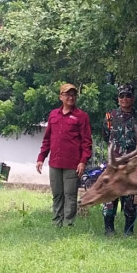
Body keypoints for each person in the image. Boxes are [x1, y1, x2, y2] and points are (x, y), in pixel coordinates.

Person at [36, 83, 92, 227]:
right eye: (67, 94)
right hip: (55, 162)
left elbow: (87, 142)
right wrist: (41, 158)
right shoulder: (53, 114)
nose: (71, 97)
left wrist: (83, 161)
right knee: (57, 195)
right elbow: (47, 138)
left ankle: (68, 225)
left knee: (70, 196)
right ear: (61, 97)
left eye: (73, 94)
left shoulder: (81, 116)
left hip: (73, 164)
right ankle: (56, 223)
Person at [102, 83, 137, 236]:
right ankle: (109, 229)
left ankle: (129, 230)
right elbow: (106, 137)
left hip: (132, 166)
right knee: (110, 196)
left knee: (131, 199)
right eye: (121, 96)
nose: (124, 99)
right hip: (114, 165)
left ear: (133, 98)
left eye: (128, 96)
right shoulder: (110, 117)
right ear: (118, 98)